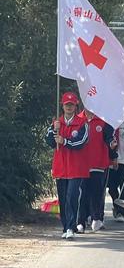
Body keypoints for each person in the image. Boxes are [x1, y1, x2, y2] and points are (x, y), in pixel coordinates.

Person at [45, 92, 89, 240]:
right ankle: (65, 226)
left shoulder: (82, 123)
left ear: (76, 106)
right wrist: (53, 130)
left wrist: (65, 141)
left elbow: (81, 142)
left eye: (71, 104)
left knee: (72, 196)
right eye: (66, 104)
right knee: (63, 198)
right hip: (61, 167)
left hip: (76, 168)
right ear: (62, 106)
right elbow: (49, 141)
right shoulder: (56, 123)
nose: (69, 107)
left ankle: (71, 226)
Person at [77, 108, 117, 233]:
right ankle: (80, 222)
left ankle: (96, 218)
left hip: (98, 164)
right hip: (81, 164)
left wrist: (113, 150)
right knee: (82, 194)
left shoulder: (103, 121)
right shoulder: (78, 119)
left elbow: (109, 138)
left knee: (97, 193)